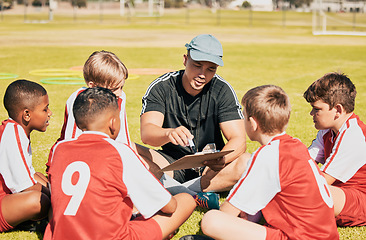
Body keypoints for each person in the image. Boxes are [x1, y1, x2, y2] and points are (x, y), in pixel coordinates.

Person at [44, 87, 196, 240]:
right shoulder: (119, 151)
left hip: (61, 234)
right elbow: (169, 206)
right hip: (110, 236)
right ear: (113, 122)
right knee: (185, 200)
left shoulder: (59, 149)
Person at [200, 85, 339, 240]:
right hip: (326, 234)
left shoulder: (268, 154)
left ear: (252, 123)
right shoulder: (296, 144)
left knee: (211, 220)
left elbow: (229, 211)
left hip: (300, 236)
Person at [140, 34, 247, 201]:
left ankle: (179, 191)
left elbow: (239, 140)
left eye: (211, 69)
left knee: (247, 161)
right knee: (127, 149)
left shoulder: (222, 90)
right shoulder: (162, 87)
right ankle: (195, 194)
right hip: (170, 165)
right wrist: (168, 133)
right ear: (185, 59)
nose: (202, 74)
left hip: (210, 170)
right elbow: (147, 134)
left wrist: (222, 158)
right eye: (197, 65)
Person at [304, 72, 366, 227]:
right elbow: (304, 162)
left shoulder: (354, 135)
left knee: (310, 191)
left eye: (316, 109)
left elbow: (322, 181)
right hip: (339, 193)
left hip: (359, 201)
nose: (311, 114)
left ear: (338, 110)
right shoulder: (327, 130)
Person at [0, 79, 51, 233]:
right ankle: (31, 221)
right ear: (27, 114)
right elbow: (25, 187)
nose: (50, 113)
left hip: (7, 197)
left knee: (40, 177)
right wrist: (57, 196)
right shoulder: (13, 134)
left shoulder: (17, 130)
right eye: (45, 109)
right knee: (40, 201)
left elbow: (30, 175)